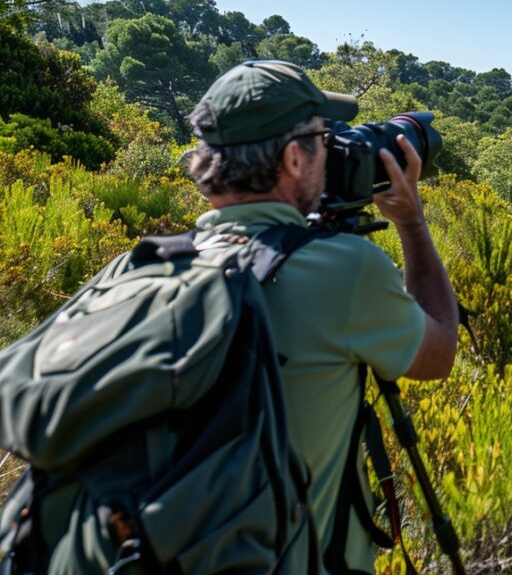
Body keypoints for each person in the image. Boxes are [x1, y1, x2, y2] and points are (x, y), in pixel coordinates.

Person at [185, 59, 459, 572]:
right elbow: (439, 352)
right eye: (320, 138)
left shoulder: (146, 267)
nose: (328, 149)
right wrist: (412, 222)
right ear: (293, 158)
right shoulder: (344, 271)